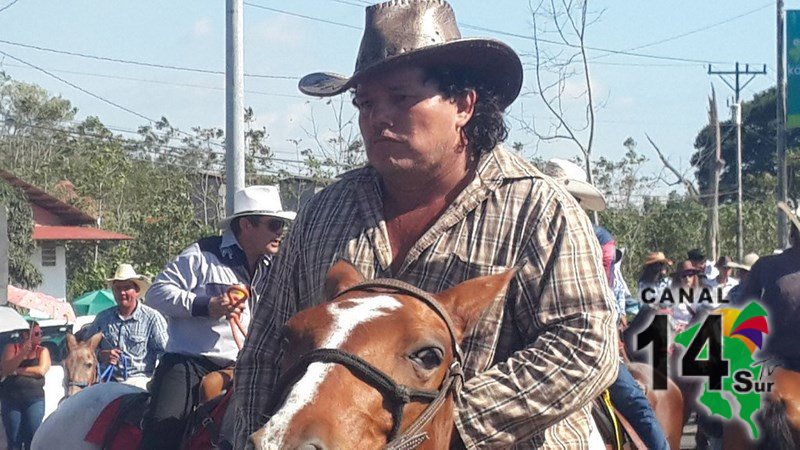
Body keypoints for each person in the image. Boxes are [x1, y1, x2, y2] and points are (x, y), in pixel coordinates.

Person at [235, 3, 618, 447]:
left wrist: (446, 422)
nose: (377, 117)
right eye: (366, 103)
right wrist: (254, 436)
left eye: (400, 98)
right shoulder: (325, 212)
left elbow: (585, 344)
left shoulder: (538, 209)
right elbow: (265, 348)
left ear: (463, 105)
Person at [142, 185, 295, 450]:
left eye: (281, 225)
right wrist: (207, 305)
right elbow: (156, 293)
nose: (279, 232)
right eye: (273, 224)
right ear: (246, 225)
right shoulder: (202, 254)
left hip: (247, 367)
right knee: (163, 429)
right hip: (190, 363)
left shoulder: (273, 267)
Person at [543, 158, 669, 450]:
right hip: (530, 341)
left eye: (568, 198)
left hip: (587, 341)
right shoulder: (526, 233)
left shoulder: (598, 239)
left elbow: (600, 291)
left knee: (636, 404)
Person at [80, 263, 167, 390]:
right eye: (118, 288)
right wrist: (101, 355)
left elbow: (166, 353)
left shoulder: (152, 318)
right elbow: (85, 350)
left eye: (126, 288)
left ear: (136, 291)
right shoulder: (102, 318)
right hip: (107, 381)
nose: (122, 292)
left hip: (139, 381)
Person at [742, 202, 800, 369]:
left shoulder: (767, 265)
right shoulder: (766, 266)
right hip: (775, 359)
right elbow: (744, 310)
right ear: (792, 234)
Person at [0, 322, 50, 450]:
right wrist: (22, 354)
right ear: (25, 335)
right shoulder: (12, 348)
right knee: (14, 438)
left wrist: (17, 371)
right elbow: (7, 369)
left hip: (34, 399)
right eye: (36, 333)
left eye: (41, 333)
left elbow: (41, 370)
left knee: (33, 435)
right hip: (11, 400)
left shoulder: (42, 351)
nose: (40, 336)